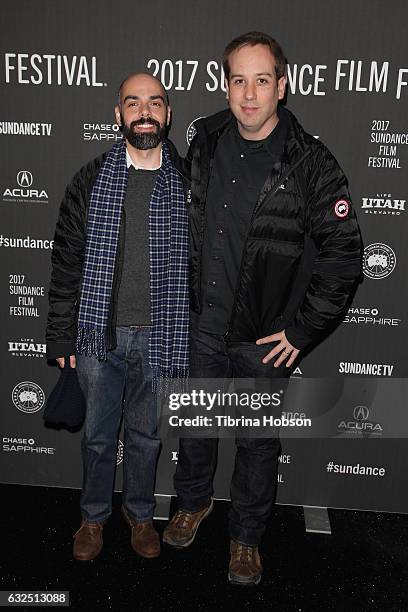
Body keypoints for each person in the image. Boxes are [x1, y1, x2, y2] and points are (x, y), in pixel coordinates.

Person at [163, 32, 362, 585]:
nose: (249, 94)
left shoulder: (311, 163)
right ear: (226, 85)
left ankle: (246, 536)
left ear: (282, 85)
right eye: (238, 80)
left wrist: (301, 331)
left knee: (255, 444)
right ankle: (192, 503)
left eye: (262, 80)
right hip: (203, 327)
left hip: (263, 340)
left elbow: (344, 255)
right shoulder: (204, 140)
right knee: (197, 429)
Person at [46, 72, 189, 561]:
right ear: (118, 115)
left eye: (154, 102)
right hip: (97, 337)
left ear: (168, 114)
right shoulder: (91, 180)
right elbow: (66, 262)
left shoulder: (191, 184)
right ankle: (92, 518)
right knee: (99, 437)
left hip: (162, 335)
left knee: (147, 438)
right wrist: (61, 337)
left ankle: (142, 515)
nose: (144, 111)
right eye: (133, 103)